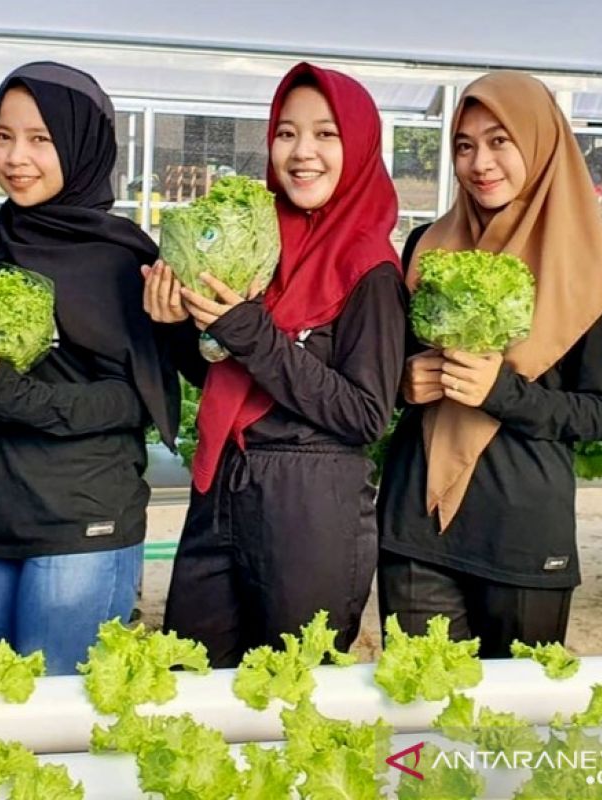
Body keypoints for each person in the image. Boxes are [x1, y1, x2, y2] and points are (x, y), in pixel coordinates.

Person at [145, 62, 405, 667]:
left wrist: (249, 330)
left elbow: (365, 414)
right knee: (193, 684)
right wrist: (174, 330)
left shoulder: (371, 270)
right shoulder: (258, 244)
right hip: (221, 488)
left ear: (361, 145)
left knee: (292, 698)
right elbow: (221, 373)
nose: (302, 152)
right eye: (286, 133)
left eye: (325, 134)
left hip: (310, 505)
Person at [0, 62, 179, 675]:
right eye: (3, 135)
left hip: (81, 522)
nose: (17, 157)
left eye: (41, 139)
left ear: (81, 145)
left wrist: (7, 394)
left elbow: (134, 403)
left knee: (55, 724)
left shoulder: (123, 260)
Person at [377, 71, 602, 658]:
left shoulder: (591, 270)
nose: (479, 162)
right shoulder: (426, 246)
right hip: (417, 526)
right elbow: (384, 370)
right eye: (464, 145)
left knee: (511, 737)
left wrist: (502, 391)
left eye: (499, 141)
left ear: (539, 144)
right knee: (421, 729)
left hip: (523, 538)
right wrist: (403, 382)